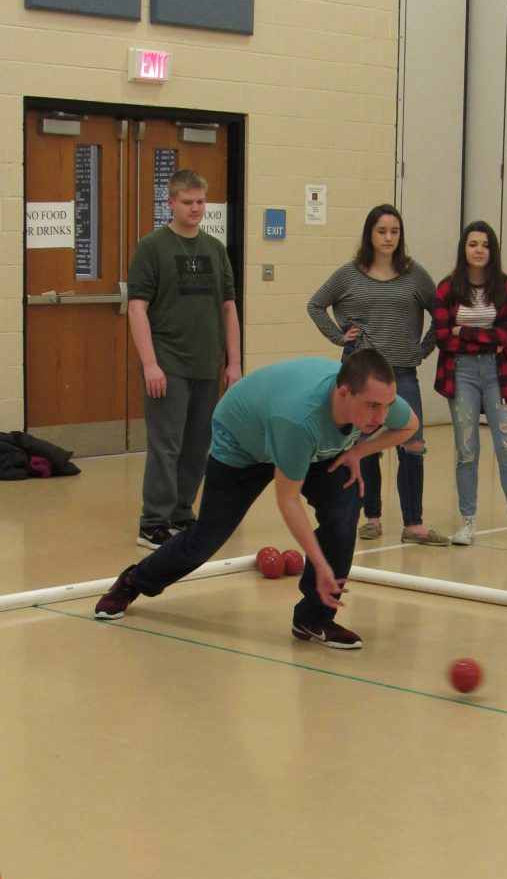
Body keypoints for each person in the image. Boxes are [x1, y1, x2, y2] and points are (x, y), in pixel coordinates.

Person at [94, 349, 417, 650]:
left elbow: (409, 426)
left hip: (307, 442)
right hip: (243, 442)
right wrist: (320, 564)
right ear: (343, 394)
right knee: (205, 539)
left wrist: (359, 451)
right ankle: (133, 581)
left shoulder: (375, 399)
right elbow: (288, 500)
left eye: (387, 405)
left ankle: (314, 618)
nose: (382, 416)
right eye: (373, 407)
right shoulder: (298, 418)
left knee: (344, 511)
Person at [307, 203, 449, 546]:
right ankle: (371, 517)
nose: (388, 237)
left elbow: (441, 314)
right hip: (362, 373)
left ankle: (414, 524)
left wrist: (424, 348)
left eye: (394, 231)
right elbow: (315, 305)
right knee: (365, 441)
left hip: (402, 372)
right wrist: (339, 336)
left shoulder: (415, 275)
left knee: (412, 444)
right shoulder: (348, 274)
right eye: (381, 231)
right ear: (369, 234)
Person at [127, 168, 242, 550]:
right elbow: (137, 308)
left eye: (201, 202)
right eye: (188, 202)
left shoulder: (215, 249)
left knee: (197, 444)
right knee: (167, 444)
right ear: (171, 203)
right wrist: (150, 363)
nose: (196, 208)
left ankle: (181, 511)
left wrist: (234, 364)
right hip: (168, 364)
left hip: (207, 363)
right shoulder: (152, 247)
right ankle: (153, 521)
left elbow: (228, 308)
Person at [433, 221, 507, 549]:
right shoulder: (447, 288)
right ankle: (467, 522)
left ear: (492, 250)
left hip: (499, 373)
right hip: (461, 373)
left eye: (485, 245)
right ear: (464, 248)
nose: (479, 250)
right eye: (473, 244)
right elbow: (442, 337)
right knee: (467, 450)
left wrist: (465, 332)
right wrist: (487, 339)